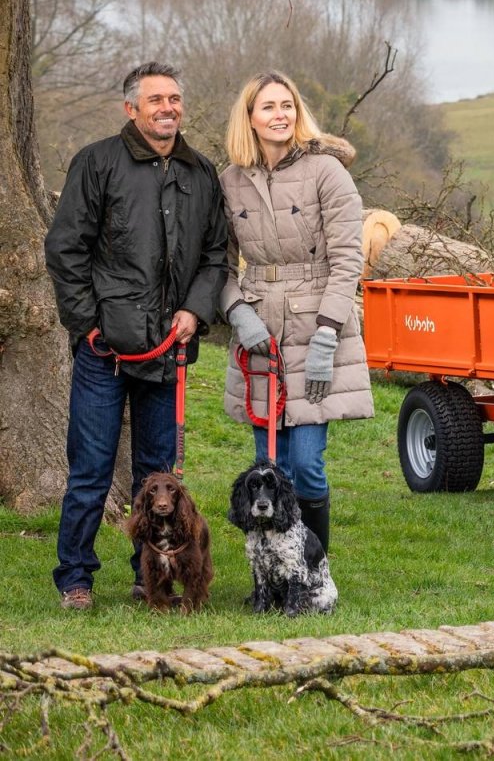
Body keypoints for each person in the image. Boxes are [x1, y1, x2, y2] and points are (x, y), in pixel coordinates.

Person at [45, 61, 228, 610]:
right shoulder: (97, 163)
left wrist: (195, 311)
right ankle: (75, 577)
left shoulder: (201, 173)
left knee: (158, 477)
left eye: (174, 98)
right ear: (132, 109)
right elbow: (66, 249)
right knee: (91, 471)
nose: (168, 108)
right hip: (105, 354)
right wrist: (88, 324)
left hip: (168, 352)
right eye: (156, 100)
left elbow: (217, 254)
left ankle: (148, 574)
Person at [219, 72, 372, 557]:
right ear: (250, 118)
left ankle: (314, 569)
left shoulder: (328, 172)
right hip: (260, 328)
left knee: (306, 463)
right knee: (269, 462)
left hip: (316, 326)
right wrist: (237, 312)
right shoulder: (229, 181)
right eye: (268, 107)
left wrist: (328, 331)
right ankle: (274, 572)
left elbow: (348, 258)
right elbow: (215, 262)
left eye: (287, 104)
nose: (279, 114)